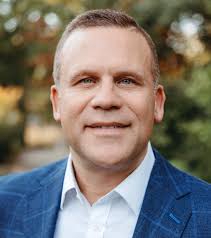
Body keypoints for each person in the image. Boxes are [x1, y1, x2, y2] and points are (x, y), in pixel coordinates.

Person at [0, 9, 210, 238]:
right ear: (57, 102)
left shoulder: (205, 215)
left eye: (127, 80)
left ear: (157, 103)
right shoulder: (5, 202)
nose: (106, 99)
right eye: (86, 80)